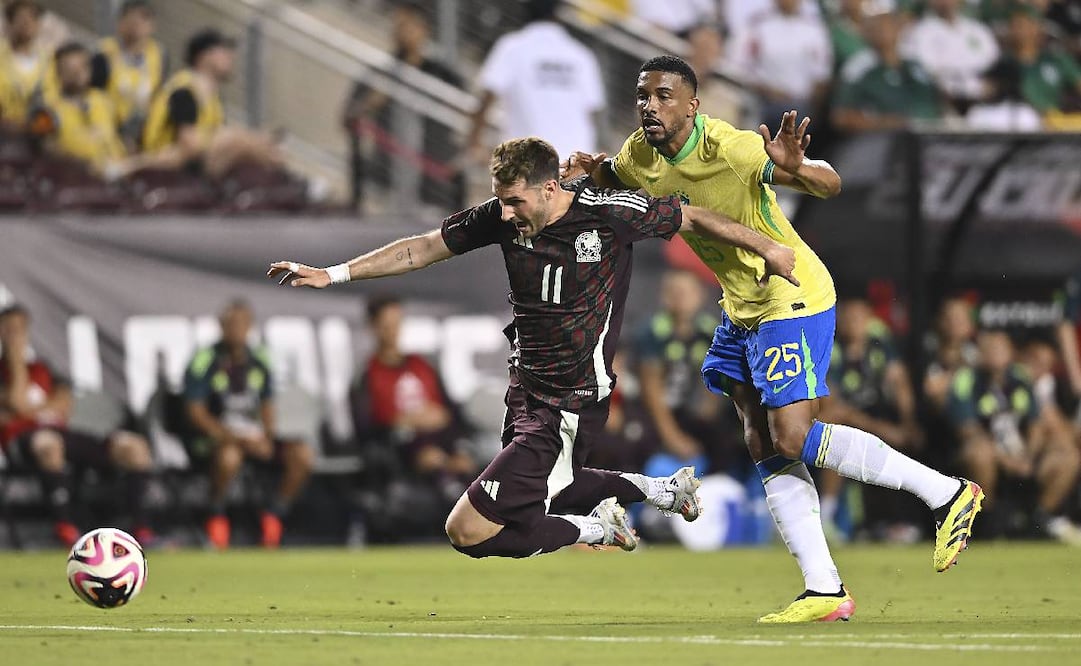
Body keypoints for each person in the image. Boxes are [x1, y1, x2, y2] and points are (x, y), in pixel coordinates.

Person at [564, 54, 981, 623]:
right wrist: (592, 170)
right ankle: (823, 589)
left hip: (791, 291)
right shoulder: (639, 151)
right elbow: (619, 176)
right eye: (643, 95)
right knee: (759, 436)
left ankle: (946, 492)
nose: (650, 106)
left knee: (791, 434)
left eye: (664, 96)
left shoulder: (731, 149)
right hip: (742, 305)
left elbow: (830, 184)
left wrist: (799, 167)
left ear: (693, 105)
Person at [268, 136, 799, 558]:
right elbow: (423, 248)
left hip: (572, 399)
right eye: (500, 199)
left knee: (469, 530)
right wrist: (332, 273)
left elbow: (693, 216)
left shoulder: (608, 212)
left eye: (515, 200)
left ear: (549, 188)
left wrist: (770, 246)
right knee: (554, 491)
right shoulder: (502, 216)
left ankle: (597, 531)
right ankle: (662, 494)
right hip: (524, 390)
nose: (506, 212)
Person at [0, 304, 154, 547]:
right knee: (48, 443)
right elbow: (18, 402)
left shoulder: (42, 369)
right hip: (24, 443)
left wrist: (29, 410)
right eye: (10, 329)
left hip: (62, 434)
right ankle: (65, 526)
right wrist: (16, 363)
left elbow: (64, 404)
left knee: (134, 447)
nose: (16, 335)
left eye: (20, 329)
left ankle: (141, 529)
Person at [182, 299, 314, 549]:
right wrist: (233, 437)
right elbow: (195, 414)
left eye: (243, 324)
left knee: (303, 454)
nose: (237, 329)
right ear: (221, 326)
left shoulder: (259, 360)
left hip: (252, 439)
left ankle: (274, 515)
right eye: (231, 324)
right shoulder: (204, 360)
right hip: (215, 441)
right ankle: (216, 515)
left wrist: (267, 437)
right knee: (229, 457)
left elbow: (267, 407)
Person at [948, 329, 1081, 544]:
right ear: (979, 353)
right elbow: (968, 430)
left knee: (1068, 457)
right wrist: (1006, 460)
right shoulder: (967, 379)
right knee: (980, 452)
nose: (995, 353)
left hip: (1021, 454)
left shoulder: (1020, 378)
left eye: (1000, 348)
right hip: (988, 455)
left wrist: (1028, 455)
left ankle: (1037, 519)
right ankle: (988, 519)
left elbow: (1036, 424)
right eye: (989, 348)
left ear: (1011, 352)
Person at [350, 295, 476, 510]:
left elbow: (452, 410)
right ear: (373, 327)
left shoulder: (423, 366)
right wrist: (401, 421)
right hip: (401, 446)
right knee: (427, 455)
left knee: (462, 458)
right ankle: (453, 499)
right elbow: (364, 429)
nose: (393, 331)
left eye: (396, 323)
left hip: (442, 438)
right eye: (386, 325)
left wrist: (443, 419)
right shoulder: (367, 377)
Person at [341, 1, 464, 210]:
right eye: (397, 26)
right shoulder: (380, 73)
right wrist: (372, 102)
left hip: (433, 188)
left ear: (424, 29)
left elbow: (465, 120)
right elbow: (348, 118)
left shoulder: (444, 77)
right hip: (386, 185)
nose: (401, 32)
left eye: (408, 25)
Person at [466, 0, 604, 161]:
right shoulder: (580, 54)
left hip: (529, 162)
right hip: (576, 162)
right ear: (557, 15)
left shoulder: (512, 47)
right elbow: (592, 112)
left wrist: (474, 142)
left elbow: (486, 97)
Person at [137, 28, 283, 179]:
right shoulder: (184, 90)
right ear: (204, 56)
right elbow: (189, 145)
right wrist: (237, 140)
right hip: (162, 164)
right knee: (235, 139)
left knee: (257, 148)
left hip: (195, 167)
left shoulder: (214, 99)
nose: (231, 57)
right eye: (223, 51)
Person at [635, 269, 727, 477]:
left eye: (686, 293)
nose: (680, 299)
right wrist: (672, 437)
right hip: (653, 415)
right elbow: (652, 392)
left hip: (689, 413)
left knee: (722, 435)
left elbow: (715, 384)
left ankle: (720, 488)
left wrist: (708, 414)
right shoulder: (652, 332)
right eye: (674, 292)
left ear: (700, 295)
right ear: (664, 296)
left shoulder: (709, 331)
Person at [831, 9, 944, 133]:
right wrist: (884, 123)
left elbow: (939, 101)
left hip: (932, 135)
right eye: (876, 28)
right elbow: (841, 117)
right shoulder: (857, 68)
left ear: (898, 29)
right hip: (882, 139)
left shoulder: (915, 64)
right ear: (865, 33)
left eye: (888, 26)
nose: (883, 32)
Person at [28, 42, 128, 174]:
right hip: (74, 178)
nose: (77, 73)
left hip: (119, 172)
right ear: (58, 72)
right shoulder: (46, 108)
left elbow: (120, 135)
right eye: (70, 68)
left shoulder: (103, 100)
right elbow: (44, 151)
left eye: (82, 66)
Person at [91, 0, 166, 148]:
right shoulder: (104, 53)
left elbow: (158, 96)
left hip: (141, 132)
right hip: (106, 128)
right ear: (120, 22)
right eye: (131, 19)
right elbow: (93, 96)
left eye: (144, 19)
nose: (136, 25)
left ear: (152, 26)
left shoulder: (159, 56)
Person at [900, 0, 999, 107]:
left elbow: (993, 61)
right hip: (943, 101)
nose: (946, 2)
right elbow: (924, 71)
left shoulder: (978, 30)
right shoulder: (918, 32)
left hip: (984, 99)